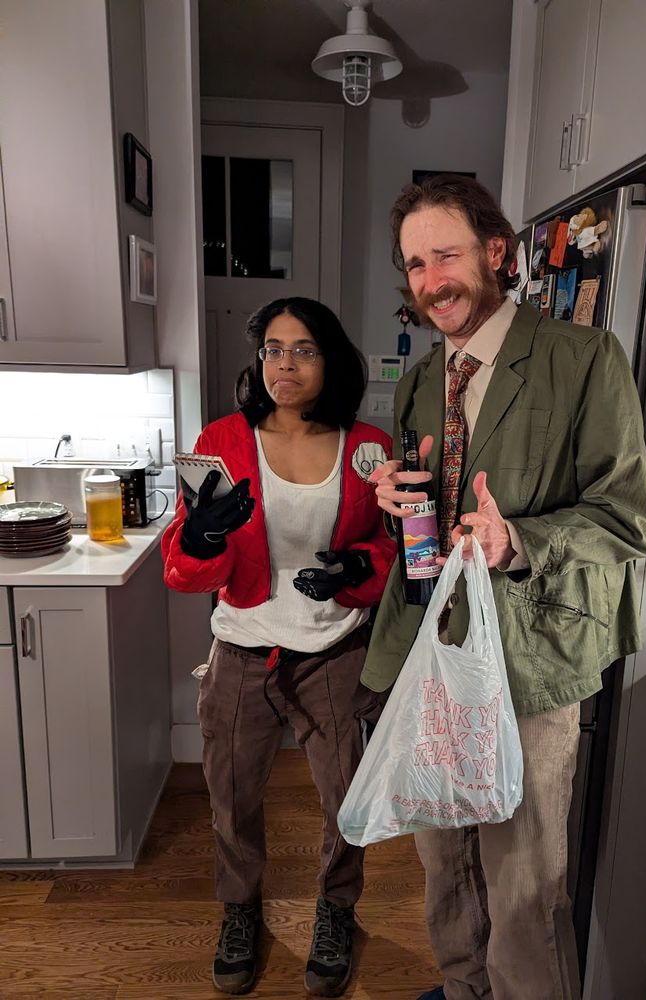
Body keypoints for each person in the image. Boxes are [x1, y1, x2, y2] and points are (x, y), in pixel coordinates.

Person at [362, 175, 646, 1000]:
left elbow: (627, 519)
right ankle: (463, 991)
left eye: (445, 255)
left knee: (523, 886)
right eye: (414, 264)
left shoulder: (583, 359)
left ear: (495, 253)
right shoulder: (422, 379)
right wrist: (397, 504)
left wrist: (515, 539)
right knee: (445, 866)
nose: (431, 281)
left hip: (529, 659)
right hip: (432, 649)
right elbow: (426, 521)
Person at [162, 297, 396, 997]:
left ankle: (336, 911)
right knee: (231, 797)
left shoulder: (368, 447)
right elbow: (184, 570)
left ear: (331, 360)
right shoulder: (221, 441)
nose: (284, 364)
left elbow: (390, 544)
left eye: (303, 350)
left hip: (334, 653)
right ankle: (240, 910)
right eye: (272, 349)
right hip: (242, 651)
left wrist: (357, 569)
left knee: (347, 799)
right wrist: (201, 536)